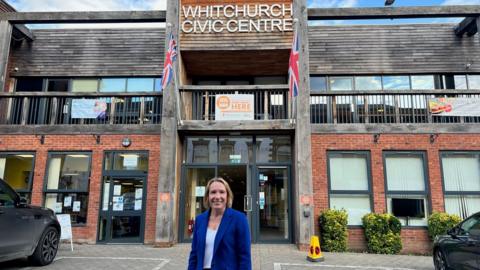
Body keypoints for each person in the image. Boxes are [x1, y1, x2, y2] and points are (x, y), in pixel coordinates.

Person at [188, 177, 252, 270]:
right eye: (213, 192)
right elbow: (194, 254)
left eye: (222, 192)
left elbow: (244, 257)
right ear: (207, 196)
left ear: (227, 196)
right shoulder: (200, 220)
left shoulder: (239, 219)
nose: (217, 197)